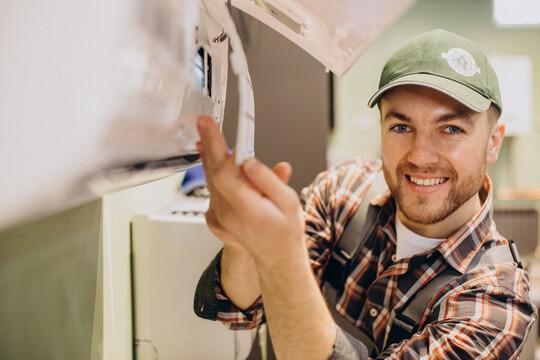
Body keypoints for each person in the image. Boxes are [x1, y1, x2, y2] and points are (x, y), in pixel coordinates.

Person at [193, 29, 537, 359]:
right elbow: (238, 310)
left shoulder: (496, 302)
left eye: (451, 129)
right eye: (402, 127)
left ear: (493, 142)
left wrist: (281, 256)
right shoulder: (344, 191)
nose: (419, 155)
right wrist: (244, 244)